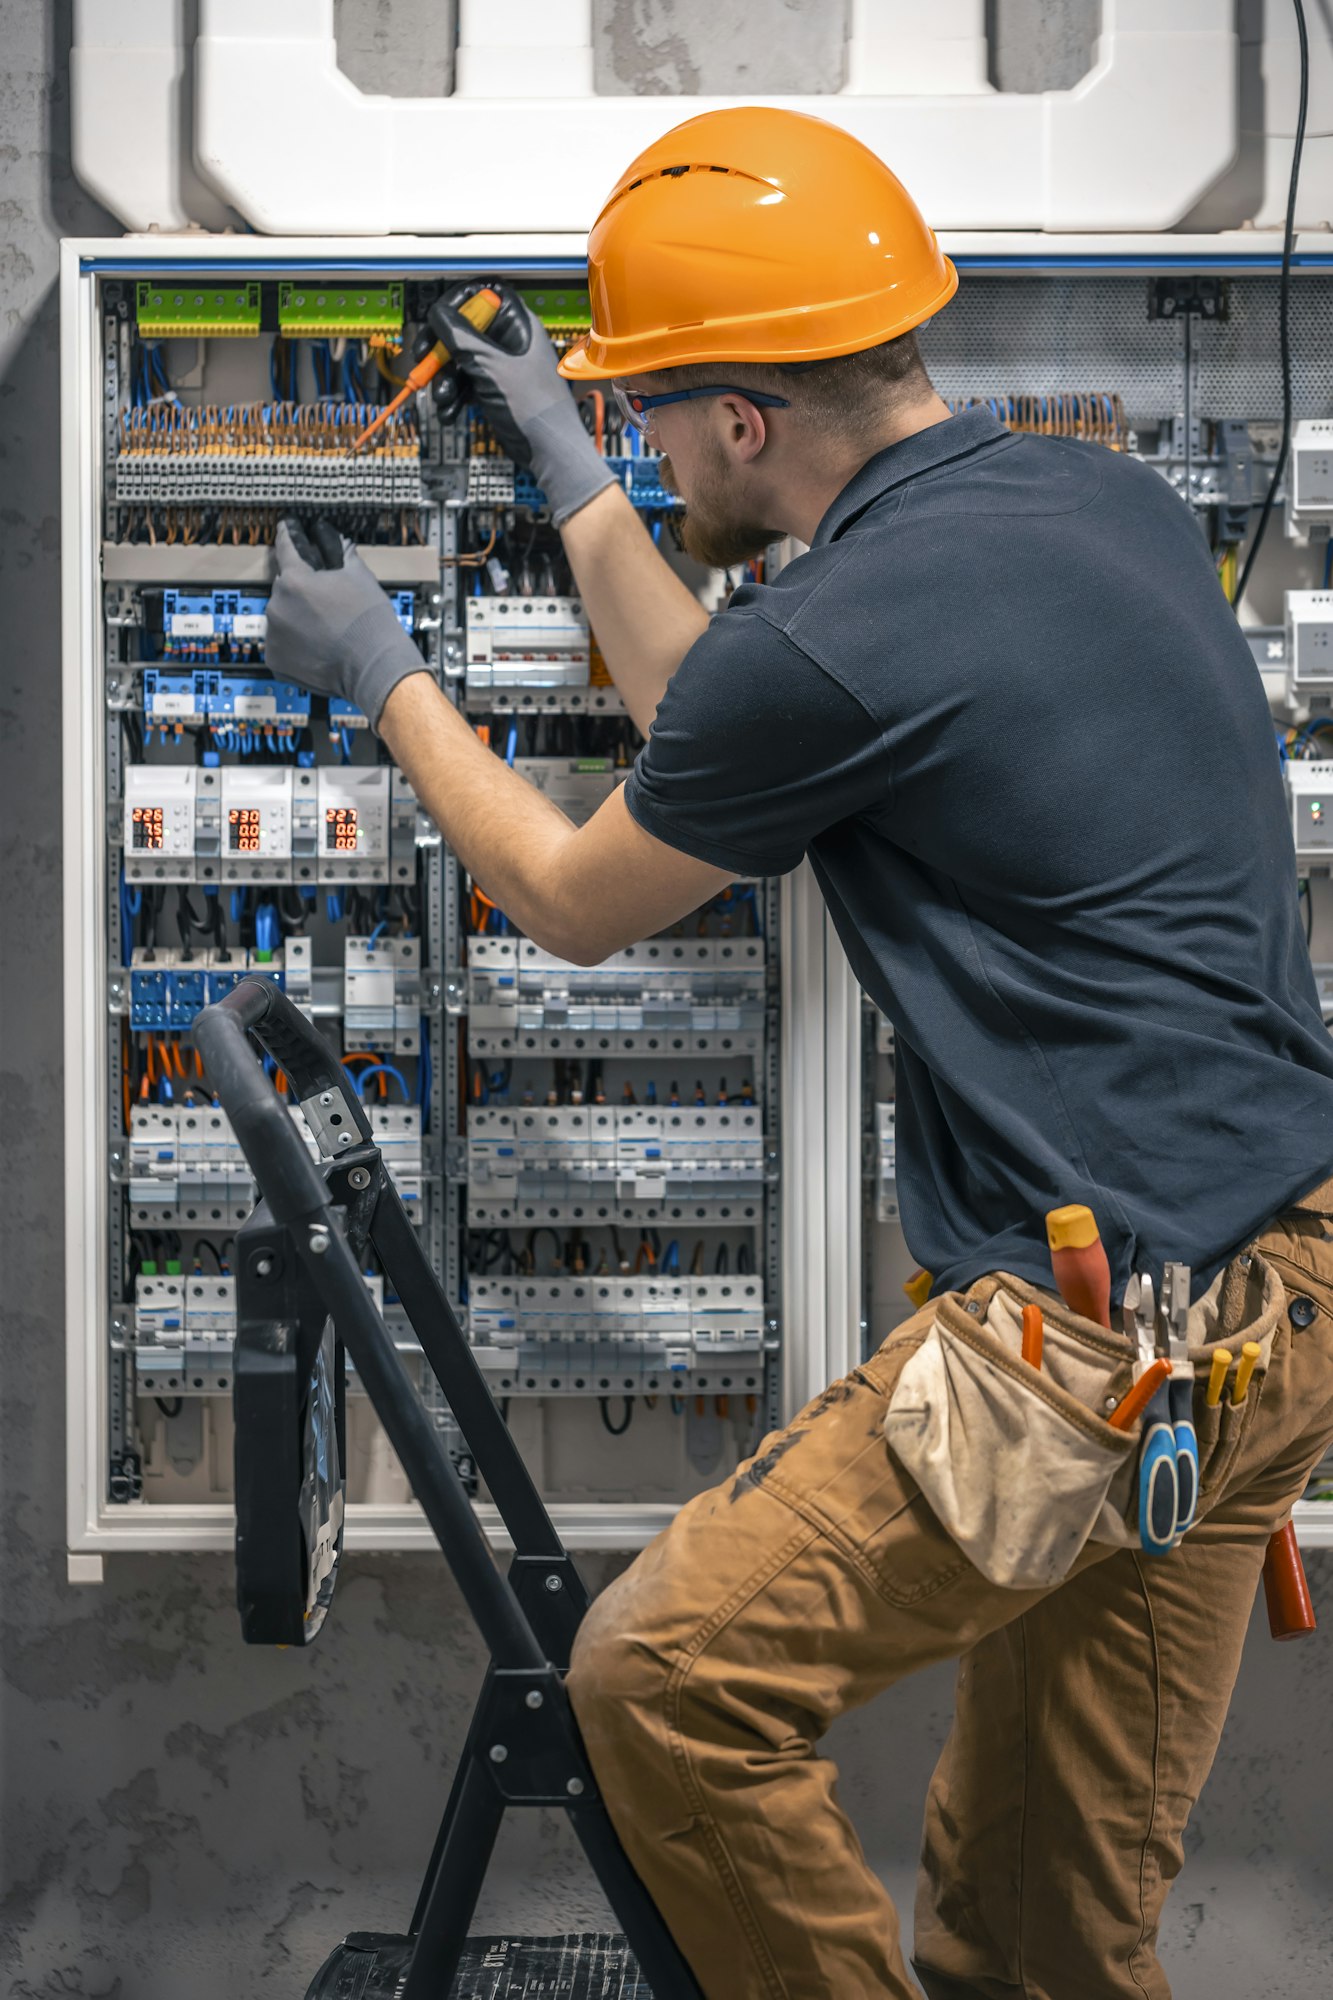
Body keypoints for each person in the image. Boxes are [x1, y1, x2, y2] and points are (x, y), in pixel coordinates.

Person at [266, 106, 1333, 2000]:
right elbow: (729, 717)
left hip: (1085, 1344)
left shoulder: (833, 637)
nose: (656, 439)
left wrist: (384, 679)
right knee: (1047, 1928)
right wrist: (581, 475)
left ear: (745, 422)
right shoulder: (1095, 502)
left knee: (660, 1682)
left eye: (660, 410)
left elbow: (580, 897)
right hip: (1286, 1306)